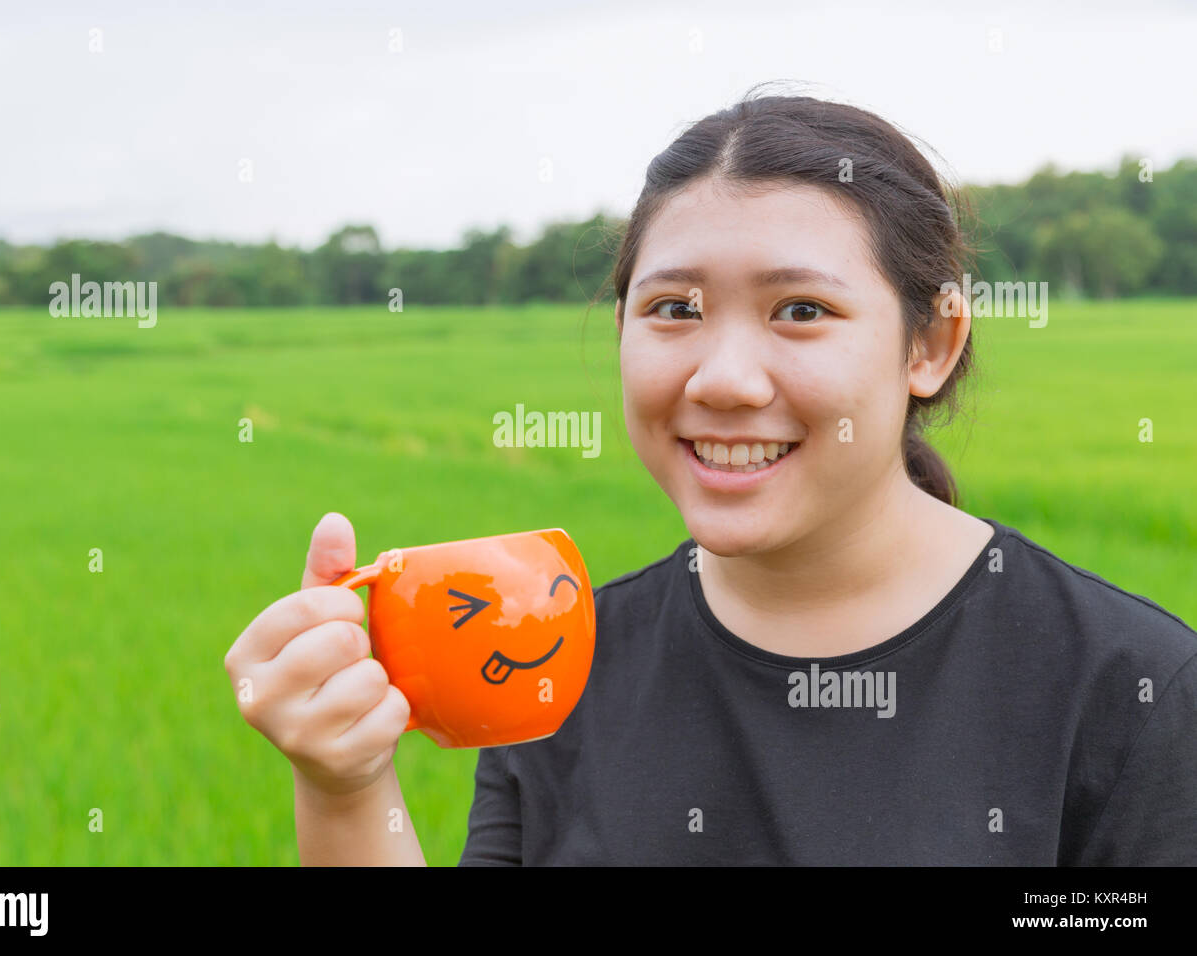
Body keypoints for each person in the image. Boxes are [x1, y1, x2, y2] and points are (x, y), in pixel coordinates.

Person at [223, 89, 1197, 866]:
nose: (722, 379)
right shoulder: (548, 664)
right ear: (620, 333)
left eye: (801, 310)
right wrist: (345, 787)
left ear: (931, 343)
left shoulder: (1127, 688)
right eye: (674, 309)